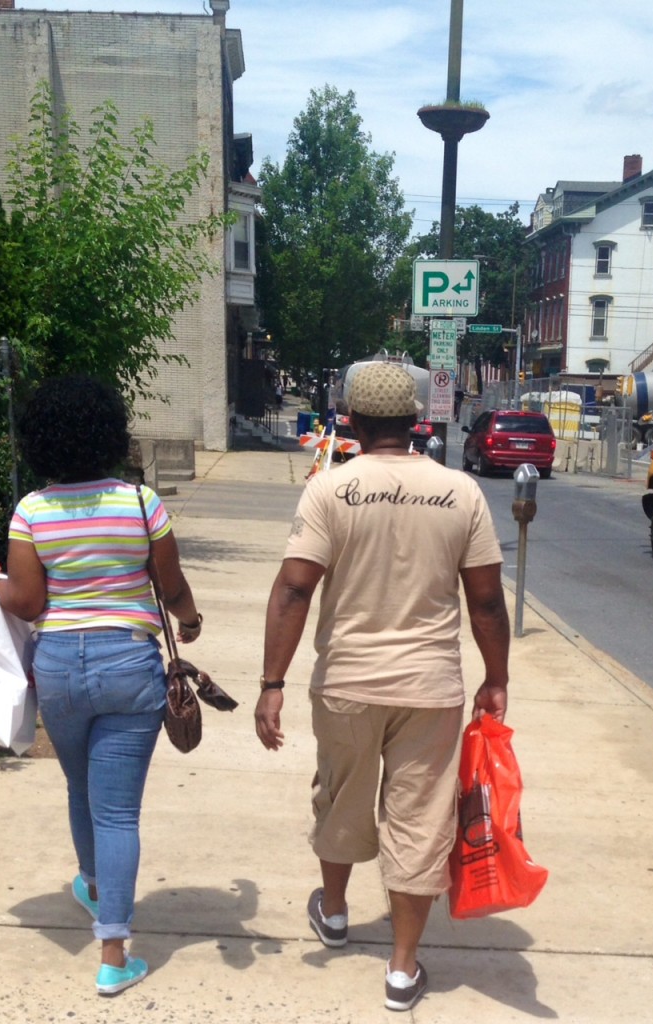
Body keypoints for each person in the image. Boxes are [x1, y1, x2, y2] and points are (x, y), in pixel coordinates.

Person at [254, 361, 510, 1012]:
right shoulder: (461, 494)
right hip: (432, 687)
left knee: (341, 796)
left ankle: (335, 913)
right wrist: (496, 678)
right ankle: (401, 969)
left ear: (351, 422)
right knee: (421, 819)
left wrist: (272, 682)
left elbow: (293, 588)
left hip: (348, 682)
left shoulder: (330, 491)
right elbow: (485, 603)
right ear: (417, 422)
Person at [0, 374, 203, 997]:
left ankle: (92, 882)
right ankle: (112, 952)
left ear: (42, 439)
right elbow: (172, 584)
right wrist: (189, 620)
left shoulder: (32, 511)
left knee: (80, 786)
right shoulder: (140, 503)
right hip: (128, 664)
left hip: (58, 668)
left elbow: (25, 602)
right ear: (108, 430)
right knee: (118, 811)